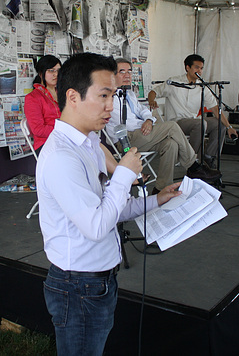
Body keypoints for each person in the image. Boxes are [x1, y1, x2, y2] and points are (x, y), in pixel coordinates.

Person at [37, 53, 183, 355]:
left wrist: (158, 198)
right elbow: (96, 225)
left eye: (113, 96)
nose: (110, 106)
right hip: (78, 285)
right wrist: (124, 174)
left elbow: (109, 209)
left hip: (98, 280)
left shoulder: (90, 143)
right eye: (103, 96)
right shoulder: (62, 157)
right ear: (73, 97)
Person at [105, 58, 222, 193]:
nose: (127, 75)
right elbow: (126, 123)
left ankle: (161, 189)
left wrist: (149, 120)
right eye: (122, 72)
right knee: (171, 126)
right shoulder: (109, 96)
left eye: (130, 72)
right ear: (113, 75)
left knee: (170, 145)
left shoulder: (130, 94)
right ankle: (193, 166)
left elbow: (143, 110)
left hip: (142, 134)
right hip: (125, 139)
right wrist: (146, 122)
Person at [24, 55, 119, 173]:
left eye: (58, 71)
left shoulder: (63, 92)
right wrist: (66, 129)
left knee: (94, 142)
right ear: (41, 73)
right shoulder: (33, 98)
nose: (55, 74)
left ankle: (122, 173)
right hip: (47, 141)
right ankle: (123, 176)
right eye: (51, 71)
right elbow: (38, 129)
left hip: (72, 134)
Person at [147, 54, 238, 167]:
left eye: (201, 68)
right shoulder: (174, 81)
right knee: (200, 124)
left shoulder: (202, 86)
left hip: (195, 120)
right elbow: (153, 92)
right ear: (187, 67)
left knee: (219, 124)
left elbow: (215, 108)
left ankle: (208, 157)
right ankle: (191, 160)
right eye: (196, 67)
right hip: (177, 122)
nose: (199, 71)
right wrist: (151, 101)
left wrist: (229, 127)